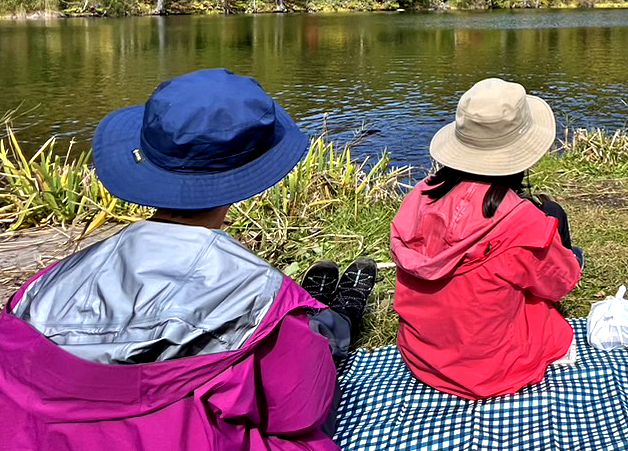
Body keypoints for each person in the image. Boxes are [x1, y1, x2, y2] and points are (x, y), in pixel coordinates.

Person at [0, 68, 376, 451]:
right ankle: (333, 323)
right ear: (247, 172)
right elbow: (301, 410)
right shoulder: (259, 294)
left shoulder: (41, 287)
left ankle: (326, 320)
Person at [391, 77, 582, 400]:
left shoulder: (418, 197)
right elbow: (561, 283)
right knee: (568, 257)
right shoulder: (523, 223)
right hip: (492, 370)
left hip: (423, 356)